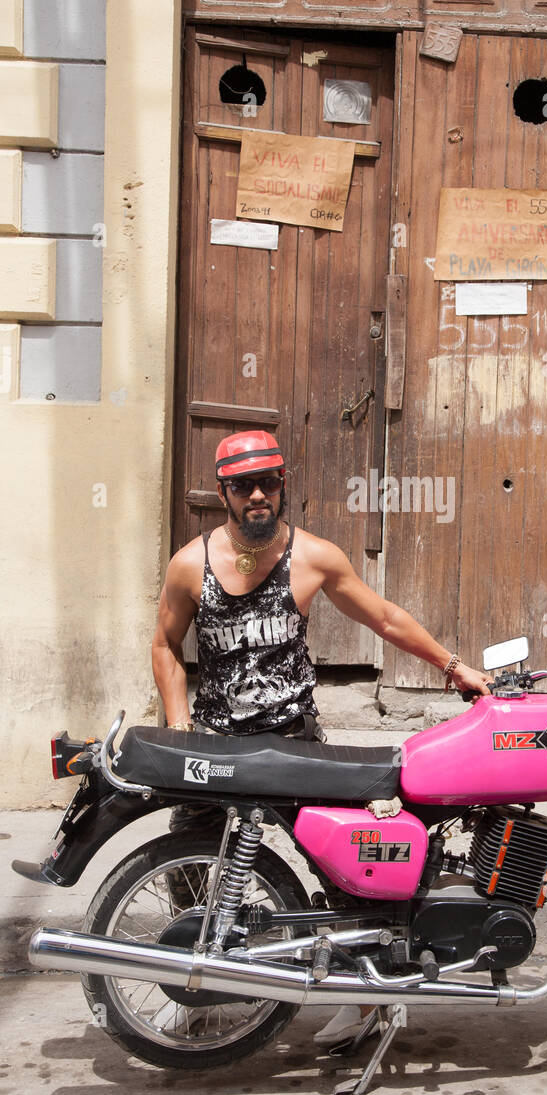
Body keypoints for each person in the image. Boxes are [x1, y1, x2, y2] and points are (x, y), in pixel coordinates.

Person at [152, 430, 490, 1043]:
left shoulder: (313, 557)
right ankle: (194, 987)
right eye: (243, 486)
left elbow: (384, 617)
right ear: (223, 493)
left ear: (284, 485)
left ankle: (366, 995)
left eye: (269, 483)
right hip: (218, 744)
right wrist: (179, 730)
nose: (258, 496)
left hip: (296, 742)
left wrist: (453, 666)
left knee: (346, 862)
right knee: (190, 869)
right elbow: (164, 646)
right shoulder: (188, 565)